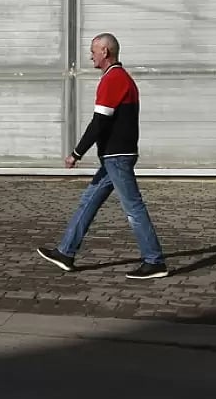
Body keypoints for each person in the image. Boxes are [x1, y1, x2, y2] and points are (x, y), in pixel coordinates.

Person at [37, 33, 169, 279]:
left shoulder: (114, 79)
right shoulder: (119, 78)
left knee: (133, 207)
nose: (91, 56)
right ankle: (65, 252)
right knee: (89, 201)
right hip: (114, 157)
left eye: (93, 51)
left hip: (117, 157)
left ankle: (155, 261)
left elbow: (99, 122)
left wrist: (76, 153)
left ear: (105, 52)